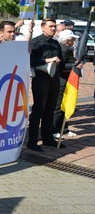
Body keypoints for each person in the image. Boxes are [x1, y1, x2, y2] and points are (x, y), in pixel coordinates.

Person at [27, 18, 65, 152]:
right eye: (51, 26)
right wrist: (48, 60)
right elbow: (30, 60)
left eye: (55, 26)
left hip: (54, 79)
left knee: (50, 109)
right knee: (38, 110)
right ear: (43, 27)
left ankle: (47, 138)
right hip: (41, 79)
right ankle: (32, 141)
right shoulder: (36, 42)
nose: (53, 29)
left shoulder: (55, 43)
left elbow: (61, 60)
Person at [52, 29, 82, 139]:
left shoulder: (66, 49)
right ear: (67, 40)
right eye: (72, 39)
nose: (74, 40)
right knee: (59, 106)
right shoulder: (63, 50)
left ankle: (63, 128)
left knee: (65, 105)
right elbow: (61, 66)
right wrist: (74, 66)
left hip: (66, 80)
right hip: (62, 81)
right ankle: (55, 129)